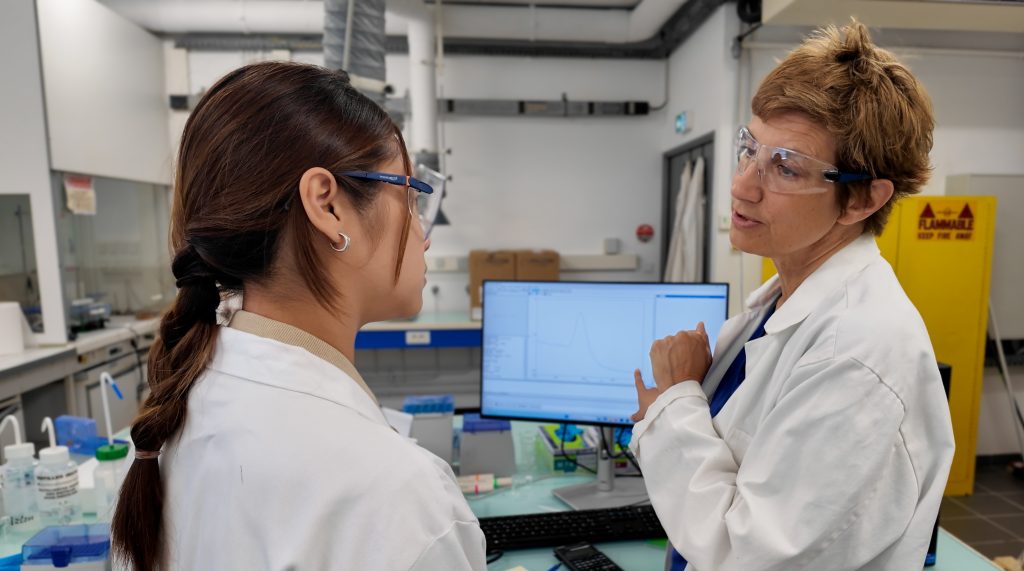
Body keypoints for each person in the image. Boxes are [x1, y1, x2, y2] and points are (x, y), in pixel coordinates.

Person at [112, 61, 486, 570]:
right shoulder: (400, 500)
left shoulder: (173, 420)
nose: (424, 233)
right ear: (328, 207)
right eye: (411, 197)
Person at [631, 20, 954, 571]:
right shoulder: (778, 301)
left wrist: (675, 404)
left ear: (862, 201)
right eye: (749, 148)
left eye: (785, 166)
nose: (741, 185)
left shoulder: (856, 355)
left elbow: (750, 555)